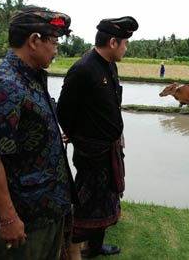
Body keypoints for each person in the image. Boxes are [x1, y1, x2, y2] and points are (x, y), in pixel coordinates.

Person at [0, 7, 75, 259]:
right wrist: (8, 218)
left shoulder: (30, 77)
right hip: (26, 215)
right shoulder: (5, 86)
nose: (55, 50)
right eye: (53, 42)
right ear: (34, 41)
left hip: (47, 207)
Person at [57, 16, 138, 258]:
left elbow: (111, 105)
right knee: (87, 199)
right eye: (125, 43)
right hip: (92, 151)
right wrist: (79, 137)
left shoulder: (110, 66)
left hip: (110, 147)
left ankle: (94, 246)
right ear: (113, 42)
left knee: (105, 198)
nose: (126, 48)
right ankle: (75, 246)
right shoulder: (83, 69)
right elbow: (64, 111)